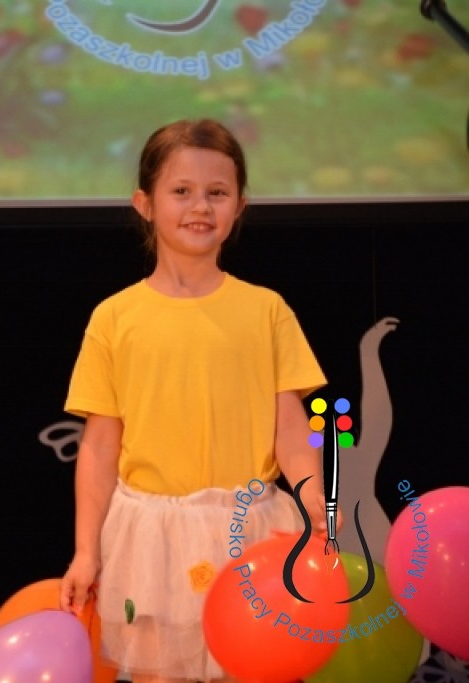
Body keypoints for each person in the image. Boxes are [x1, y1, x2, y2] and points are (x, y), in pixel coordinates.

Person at [58, 119, 329, 683]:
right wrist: (86, 551)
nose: (200, 206)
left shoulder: (267, 311)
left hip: (251, 534)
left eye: (217, 192)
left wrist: (312, 505)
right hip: (152, 541)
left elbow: (290, 429)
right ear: (145, 203)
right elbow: (100, 447)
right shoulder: (114, 318)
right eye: (181, 190)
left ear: (239, 206)